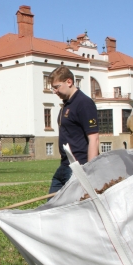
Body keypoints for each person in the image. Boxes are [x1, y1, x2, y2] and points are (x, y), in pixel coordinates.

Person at [48, 66, 99, 194]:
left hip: (79, 167)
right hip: (65, 166)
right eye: (52, 88)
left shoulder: (84, 103)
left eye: (57, 87)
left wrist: (90, 170)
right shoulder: (66, 105)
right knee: (51, 206)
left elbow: (94, 138)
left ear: (69, 82)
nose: (55, 91)